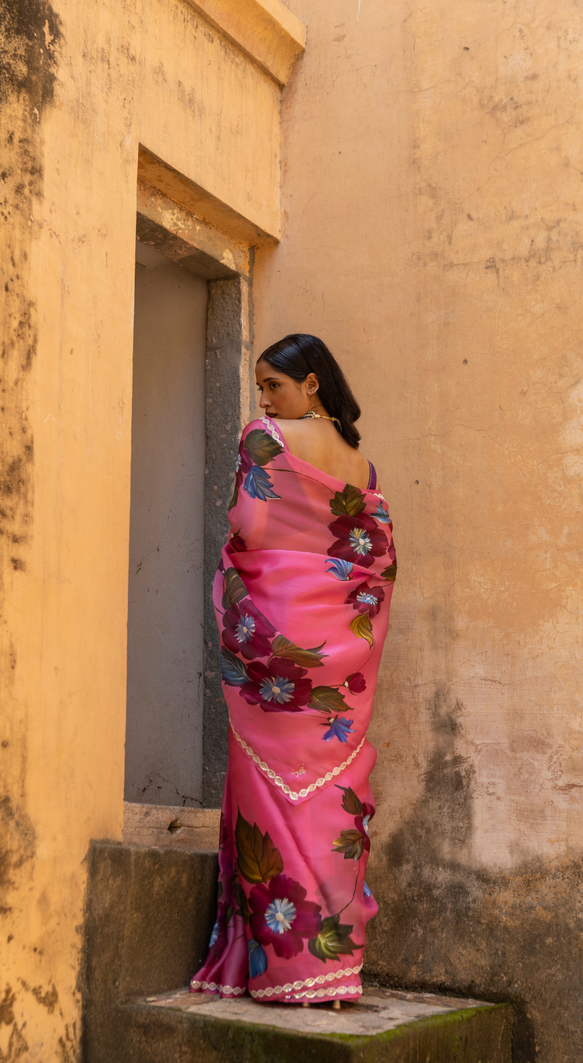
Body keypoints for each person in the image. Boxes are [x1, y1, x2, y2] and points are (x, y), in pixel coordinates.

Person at [189, 333, 396, 1006]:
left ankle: (285, 972)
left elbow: (248, 526)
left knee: (270, 794)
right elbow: (375, 559)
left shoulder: (265, 437)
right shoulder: (363, 469)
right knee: (333, 796)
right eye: (261, 390)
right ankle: (334, 972)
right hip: (337, 659)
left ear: (311, 384)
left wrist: (245, 573)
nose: (264, 399)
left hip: (275, 653)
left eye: (273, 385)